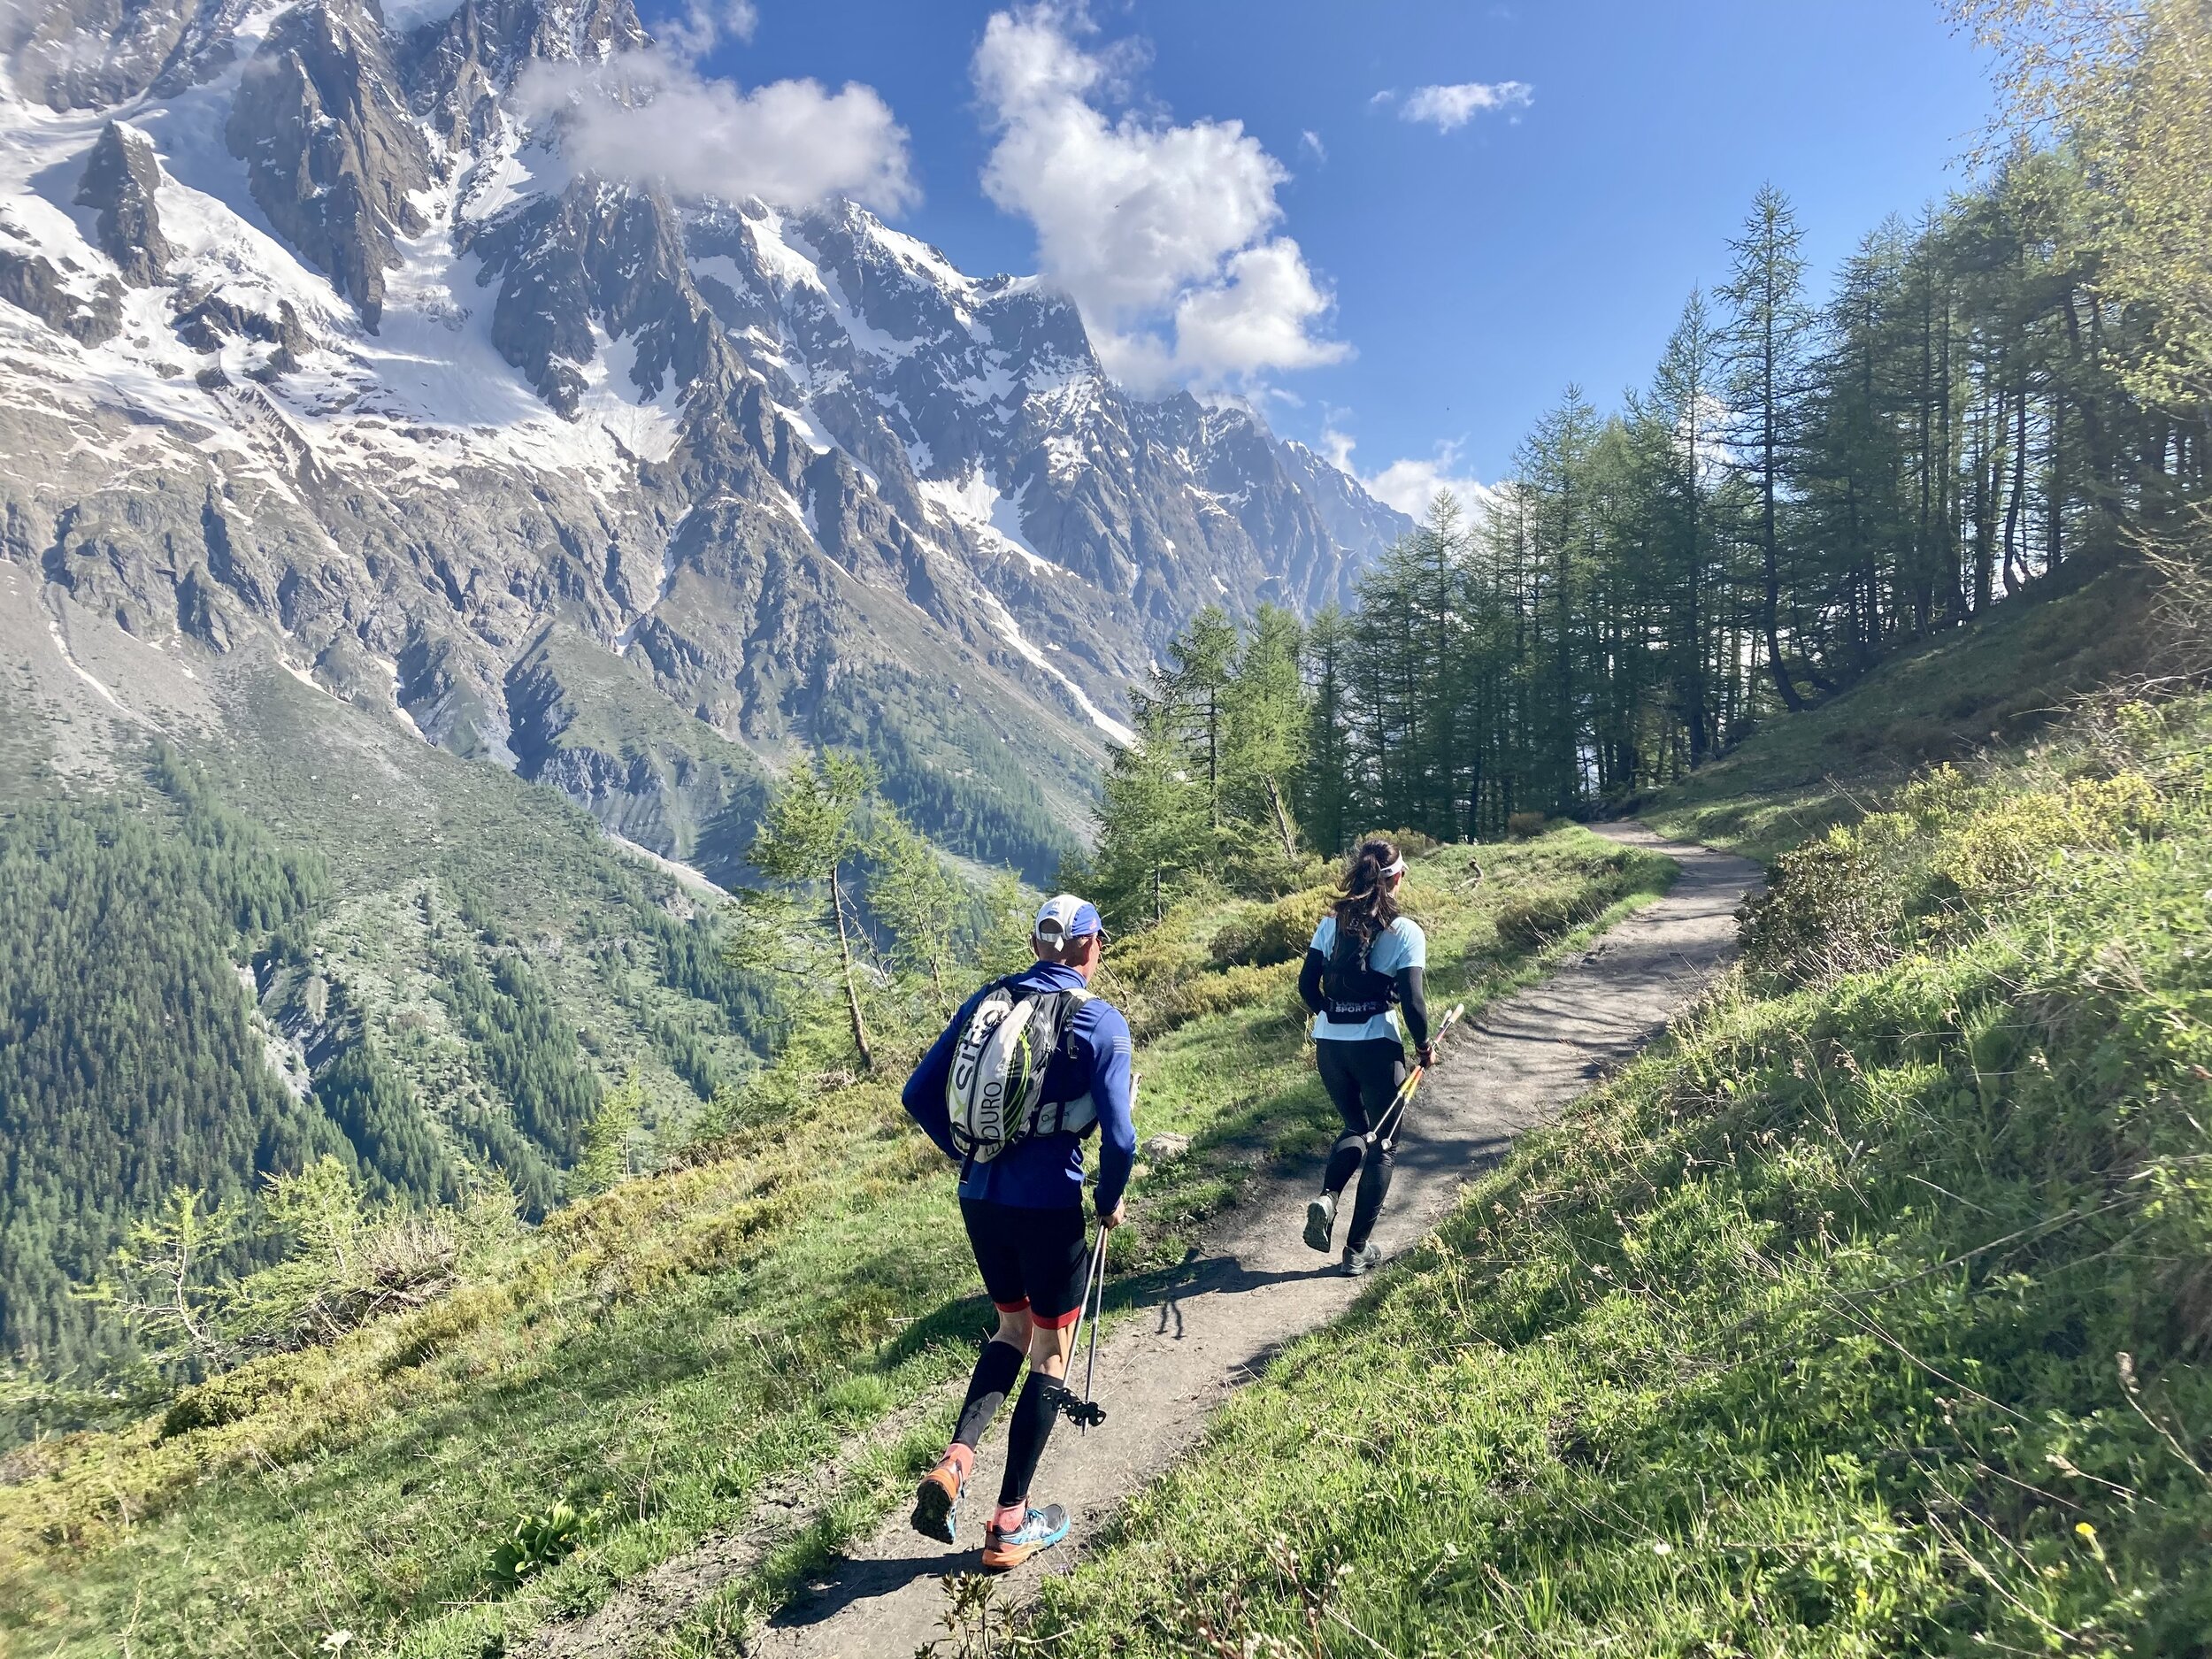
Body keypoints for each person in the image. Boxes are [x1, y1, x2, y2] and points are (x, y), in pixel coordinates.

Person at [900, 894, 1135, 1570]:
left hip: (980, 1194)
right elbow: (1121, 1138)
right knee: (1052, 1353)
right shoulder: (1100, 1021)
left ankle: (954, 1463)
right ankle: (1008, 1525)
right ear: (1091, 947)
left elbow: (919, 1093)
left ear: (1038, 946)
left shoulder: (989, 1000)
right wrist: (1108, 1200)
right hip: (1047, 1203)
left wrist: (971, 1152)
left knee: (1010, 1329)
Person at [1298, 836, 1433, 1276]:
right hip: (1377, 1045)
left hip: (1330, 1047)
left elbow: (1306, 989)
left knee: (1356, 1126)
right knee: (1385, 1143)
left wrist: (1332, 1015)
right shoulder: (1406, 931)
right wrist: (1424, 1046)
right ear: (1395, 878)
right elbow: (1412, 1002)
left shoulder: (1330, 923)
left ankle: (1328, 1197)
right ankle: (1356, 1250)